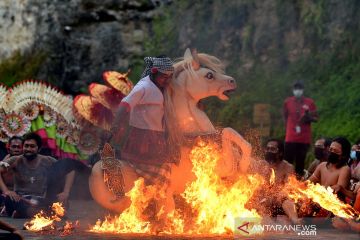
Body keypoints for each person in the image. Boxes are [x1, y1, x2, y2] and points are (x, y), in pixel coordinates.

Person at [0, 133, 76, 218]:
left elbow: (70, 170)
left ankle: (26, 213)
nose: (28, 149)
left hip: (40, 199)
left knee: (63, 202)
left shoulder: (47, 160)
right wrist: (6, 190)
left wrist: (66, 192)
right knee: (9, 200)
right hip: (21, 199)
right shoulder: (16, 160)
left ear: (38, 149)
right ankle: (43, 213)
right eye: (26, 146)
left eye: (32, 146)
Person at [248, 139, 295, 218]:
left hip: (278, 201)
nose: (269, 151)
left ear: (280, 153)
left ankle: (296, 221)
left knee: (287, 201)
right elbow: (252, 185)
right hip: (261, 200)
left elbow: (288, 188)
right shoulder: (260, 164)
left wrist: (274, 196)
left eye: (273, 149)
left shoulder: (288, 167)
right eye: (268, 149)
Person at [283, 80, 318, 177]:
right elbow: (285, 116)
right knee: (287, 161)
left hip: (304, 139)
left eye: (299, 89)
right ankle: (283, 182)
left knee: (300, 163)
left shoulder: (309, 103)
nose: (297, 91)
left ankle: (297, 184)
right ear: (293, 90)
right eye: (296, 89)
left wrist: (308, 117)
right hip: (290, 137)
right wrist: (288, 128)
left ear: (303, 90)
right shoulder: (288, 102)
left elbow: (316, 118)